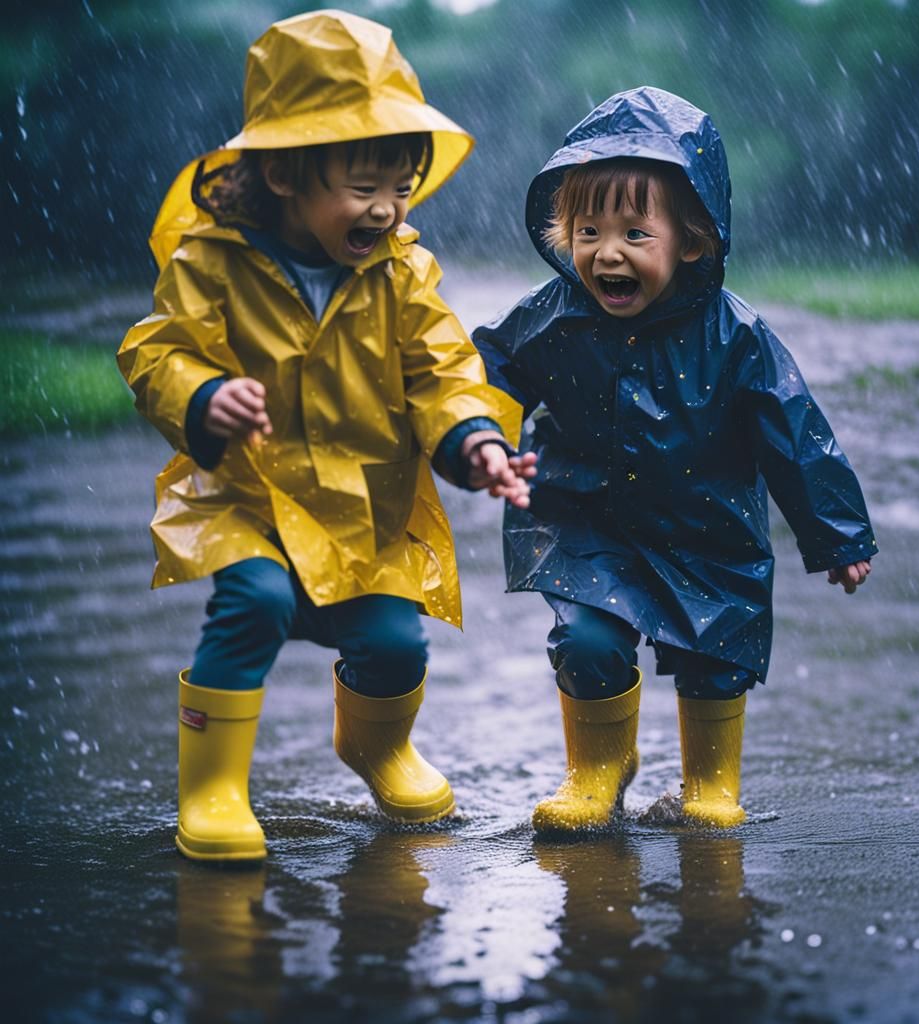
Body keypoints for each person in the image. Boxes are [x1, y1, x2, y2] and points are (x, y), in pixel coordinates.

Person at [117, 10, 534, 863]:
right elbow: (157, 350)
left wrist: (473, 440)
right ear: (282, 173)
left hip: (361, 514)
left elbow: (442, 369)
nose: (386, 208)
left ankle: (379, 749)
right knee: (256, 601)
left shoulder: (402, 271)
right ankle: (212, 787)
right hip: (249, 499)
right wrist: (202, 395)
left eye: (401, 186)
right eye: (363, 185)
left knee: (393, 641)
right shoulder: (211, 261)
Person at [473, 87, 876, 833]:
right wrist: (480, 436)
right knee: (588, 641)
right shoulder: (551, 317)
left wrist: (838, 533)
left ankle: (710, 784)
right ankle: (595, 774)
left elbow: (795, 433)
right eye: (588, 231)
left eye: (635, 232)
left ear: (690, 242)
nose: (608, 252)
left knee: (718, 652)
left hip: (706, 521)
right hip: (586, 519)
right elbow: (486, 372)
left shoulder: (736, 337)